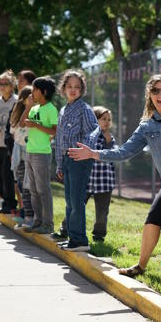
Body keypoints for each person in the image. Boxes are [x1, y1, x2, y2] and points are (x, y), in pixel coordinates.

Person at [68, 74, 161, 276]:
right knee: (153, 219)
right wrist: (94, 154)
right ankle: (141, 266)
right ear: (149, 95)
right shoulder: (147, 126)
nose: (160, 95)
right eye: (155, 91)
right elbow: (124, 151)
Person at [54, 69, 98, 250]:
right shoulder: (63, 110)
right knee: (70, 201)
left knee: (77, 200)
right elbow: (58, 139)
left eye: (77, 87)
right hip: (66, 160)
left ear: (82, 89)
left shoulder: (84, 109)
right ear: (63, 88)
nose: (73, 90)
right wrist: (59, 164)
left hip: (79, 160)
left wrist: (84, 150)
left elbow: (94, 130)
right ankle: (73, 237)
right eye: (69, 86)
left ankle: (80, 240)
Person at [24, 76, 58, 235]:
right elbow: (24, 123)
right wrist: (29, 106)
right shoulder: (34, 108)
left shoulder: (51, 109)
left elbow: (55, 131)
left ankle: (48, 224)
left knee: (43, 189)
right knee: (33, 190)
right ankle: (37, 222)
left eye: (34, 89)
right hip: (30, 151)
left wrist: (36, 125)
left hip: (42, 154)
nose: (32, 92)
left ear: (43, 91)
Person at [85, 106, 117, 242]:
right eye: (103, 119)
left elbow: (112, 155)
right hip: (87, 179)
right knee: (76, 205)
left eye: (109, 120)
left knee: (102, 211)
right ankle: (66, 228)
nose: (107, 122)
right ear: (94, 119)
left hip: (104, 181)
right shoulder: (88, 135)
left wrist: (108, 142)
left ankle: (99, 235)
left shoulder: (109, 138)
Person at [0, 70, 18, 214]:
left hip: (9, 144)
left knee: (7, 174)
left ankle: (11, 203)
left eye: (6, 84)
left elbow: (12, 124)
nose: (3, 87)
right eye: (1, 84)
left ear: (12, 86)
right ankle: (5, 200)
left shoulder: (16, 101)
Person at [9, 86, 34, 229]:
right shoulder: (19, 113)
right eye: (29, 96)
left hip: (31, 152)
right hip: (19, 152)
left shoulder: (37, 112)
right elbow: (16, 128)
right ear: (23, 99)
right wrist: (28, 108)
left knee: (28, 186)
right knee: (20, 184)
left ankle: (30, 215)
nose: (32, 99)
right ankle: (25, 212)